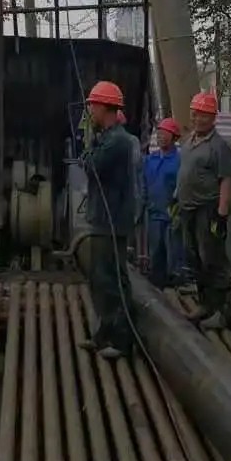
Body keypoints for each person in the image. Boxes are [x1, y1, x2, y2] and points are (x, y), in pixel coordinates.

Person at [79, 80, 144, 361]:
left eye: (93, 105)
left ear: (105, 107)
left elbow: (90, 165)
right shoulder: (106, 136)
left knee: (112, 280)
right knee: (99, 279)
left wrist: (87, 147)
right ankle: (104, 332)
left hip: (112, 220)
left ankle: (122, 340)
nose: (90, 110)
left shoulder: (117, 140)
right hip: (103, 218)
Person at [176, 91, 231, 332]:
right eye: (194, 114)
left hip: (208, 209)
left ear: (212, 118)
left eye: (202, 115)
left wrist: (222, 213)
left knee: (212, 258)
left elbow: (226, 180)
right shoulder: (188, 141)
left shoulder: (219, 146)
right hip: (187, 207)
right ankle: (204, 303)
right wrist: (175, 198)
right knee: (193, 257)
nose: (197, 118)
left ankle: (223, 310)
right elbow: (184, 172)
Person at [144, 117, 183, 290]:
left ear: (174, 137)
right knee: (155, 254)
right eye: (159, 133)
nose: (160, 137)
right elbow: (143, 183)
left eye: (164, 134)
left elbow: (182, 186)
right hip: (153, 214)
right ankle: (157, 286)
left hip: (172, 216)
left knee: (174, 254)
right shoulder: (151, 159)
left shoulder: (179, 161)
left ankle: (175, 287)